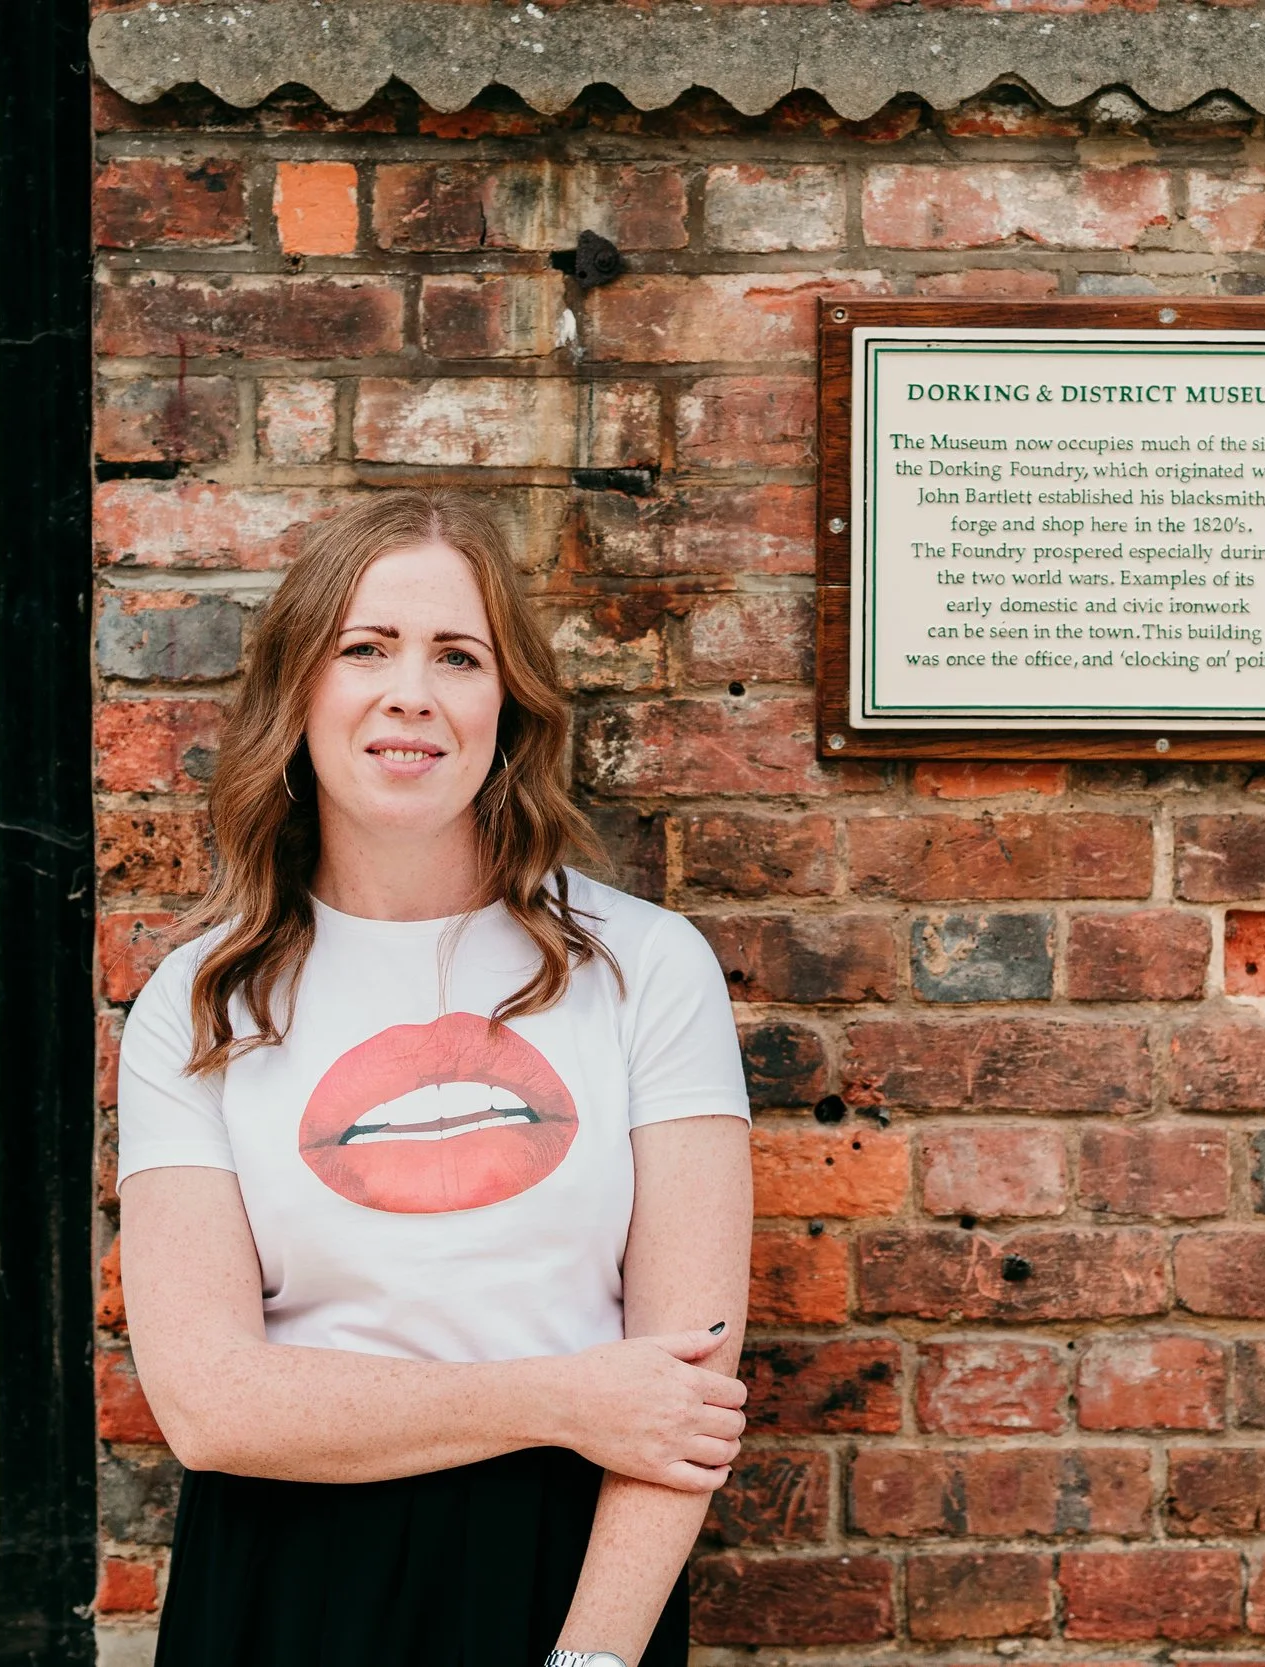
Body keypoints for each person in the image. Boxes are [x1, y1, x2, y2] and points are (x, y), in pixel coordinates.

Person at [115, 490, 753, 1667]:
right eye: (365, 648)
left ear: (503, 707)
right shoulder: (201, 1002)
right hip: (282, 1582)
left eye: (457, 656)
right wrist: (564, 1396)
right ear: (301, 691)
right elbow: (208, 1404)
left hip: (568, 1578)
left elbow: (685, 1397)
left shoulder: (646, 968)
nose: (410, 689)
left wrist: (590, 1660)